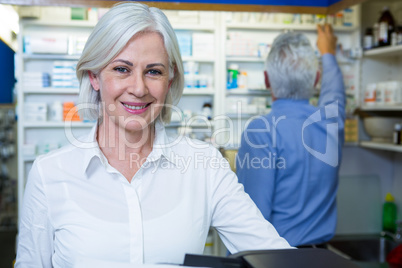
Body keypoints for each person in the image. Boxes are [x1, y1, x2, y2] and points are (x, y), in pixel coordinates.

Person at [15, 2, 291, 267]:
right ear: (94, 77)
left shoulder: (205, 165)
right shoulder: (50, 174)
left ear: (169, 81)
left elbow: (271, 255)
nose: (138, 88)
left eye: (154, 72)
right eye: (122, 69)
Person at [236, 24, 345, 247]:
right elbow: (335, 93)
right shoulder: (330, 124)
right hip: (320, 257)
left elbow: (251, 220)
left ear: (267, 80)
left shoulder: (261, 132)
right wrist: (328, 54)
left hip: (276, 258)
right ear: (315, 79)